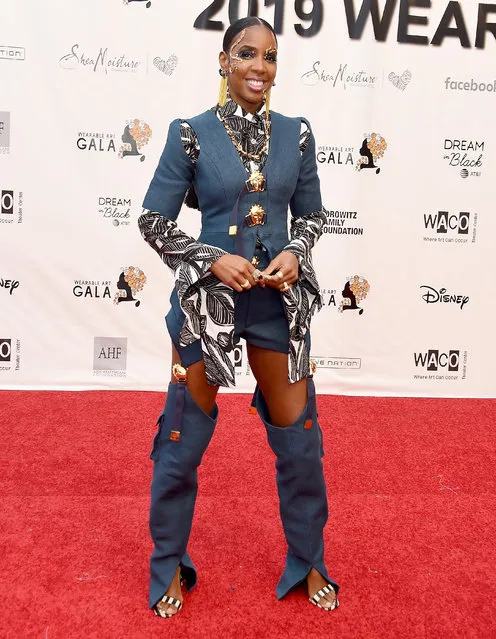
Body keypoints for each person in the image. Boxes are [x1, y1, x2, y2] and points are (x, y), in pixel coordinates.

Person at [139, 17, 339, 619]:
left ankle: (308, 560)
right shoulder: (190, 134)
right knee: (183, 440)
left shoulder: (296, 135)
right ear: (224, 61)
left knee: (301, 444)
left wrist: (294, 252)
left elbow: (312, 216)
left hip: (279, 303)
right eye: (247, 54)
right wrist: (211, 259)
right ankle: (169, 561)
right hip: (209, 306)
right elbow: (154, 222)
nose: (259, 66)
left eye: (270, 57)